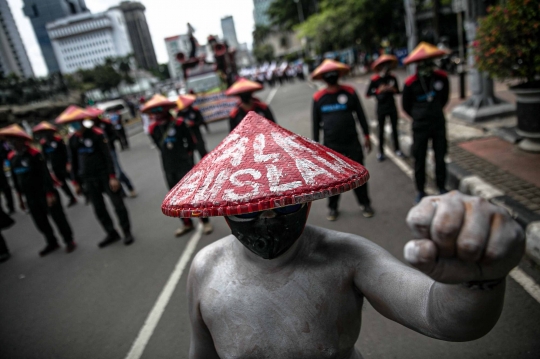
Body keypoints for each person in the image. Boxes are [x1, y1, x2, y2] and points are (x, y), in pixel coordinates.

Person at [159, 114, 524, 359]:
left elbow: (441, 315)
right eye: (249, 209)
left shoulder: (348, 256)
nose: (267, 221)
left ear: (306, 199)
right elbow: (202, 354)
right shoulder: (205, 267)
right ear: (224, 209)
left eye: (282, 206)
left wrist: (479, 281)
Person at [56, 106, 134, 247]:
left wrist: (112, 176)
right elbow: (73, 162)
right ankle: (111, 233)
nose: (74, 125)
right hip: (88, 179)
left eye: (77, 122)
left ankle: (126, 231)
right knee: (98, 208)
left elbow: (108, 156)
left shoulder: (97, 134)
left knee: (118, 204)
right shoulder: (72, 140)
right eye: (71, 122)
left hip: (104, 175)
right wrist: (76, 182)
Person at [311, 59, 374, 220]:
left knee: (358, 175)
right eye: (328, 75)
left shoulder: (350, 92)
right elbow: (315, 125)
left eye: (334, 73)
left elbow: (361, 115)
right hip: (331, 146)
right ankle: (332, 208)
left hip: (352, 143)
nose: (331, 76)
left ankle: (365, 204)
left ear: (339, 75)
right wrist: (316, 147)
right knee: (333, 180)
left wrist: (366, 135)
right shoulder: (318, 98)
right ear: (323, 78)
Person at [142, 95, 213, 236]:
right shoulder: (153, 129)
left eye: (159, 110)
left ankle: (205, 222)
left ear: (166, 110)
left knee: (193, 194)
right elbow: (159, 147)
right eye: (154, 111)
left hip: (184, 164)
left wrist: (186, 157)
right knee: (175, 197)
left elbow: (192, 143)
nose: (156, 113)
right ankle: (186, 223)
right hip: (168, 166)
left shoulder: (180, 123)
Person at [0, 124, 76, 256]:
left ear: (22, 140)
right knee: (40, 220)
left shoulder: (34, 154)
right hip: (30, 196)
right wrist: (20, 198)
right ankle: (51, 241)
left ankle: (68, 240)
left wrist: (49, 193)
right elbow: (15, 179)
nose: (12, 143)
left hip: (44, 192)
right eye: (9, 140)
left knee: (58, 217)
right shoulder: (12, 158)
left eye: (14, 140)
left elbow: (45, 175)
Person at [401, 42, 450, 204]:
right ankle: (420, 190)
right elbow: (405, 106)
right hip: (420, 126)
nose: (426, 66)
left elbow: (444, 98)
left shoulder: (441, 78)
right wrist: (418, 115)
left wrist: (434, 110)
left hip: (438, 123)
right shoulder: (410, 83)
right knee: (419, 158)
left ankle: (442, 186)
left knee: (440, 156)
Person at [366, 54, 403, 161]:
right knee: (381, 130)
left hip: (392, 106)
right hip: (381, 107)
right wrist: (379, 90)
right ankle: (381, 151)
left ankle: (397, 149)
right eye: (383, 66)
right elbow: (368, 94)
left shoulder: (392, 78)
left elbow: (398, 91)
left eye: (387, 65)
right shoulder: (375, 79)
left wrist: (392, 89)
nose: (385, 68)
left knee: (395, 129)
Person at [91, 113, 137, 198]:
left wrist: (107, 141)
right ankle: (121, 191)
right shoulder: (91, 129)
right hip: (99, 154)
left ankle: (130, 187)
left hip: (110, 150)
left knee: (118, 171)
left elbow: (115, 135)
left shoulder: (105, 124)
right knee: (110, 173)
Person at [33, 121, 77, 207]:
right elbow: (45, 157)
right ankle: (71, 197)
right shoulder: (44, 144)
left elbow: (66, 152)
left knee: (74, 179)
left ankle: (85, 193)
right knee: (62, 183)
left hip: (64, 164)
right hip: (55, 167)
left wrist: (68, 163)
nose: (45, 135)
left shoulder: (58, 140)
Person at [176, 94, 209, 159]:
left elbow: (201, 121)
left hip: (196, 134)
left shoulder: (194, 110)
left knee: (202, 152)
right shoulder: (179, 114)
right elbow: (178, 126)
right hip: (187, 137)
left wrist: (193, 123)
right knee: (189, 156)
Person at [0, 140, 15, 214]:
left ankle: (11, 206)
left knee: (5, 187)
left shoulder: (3, 143)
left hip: (2, 167)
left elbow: (8, 152)